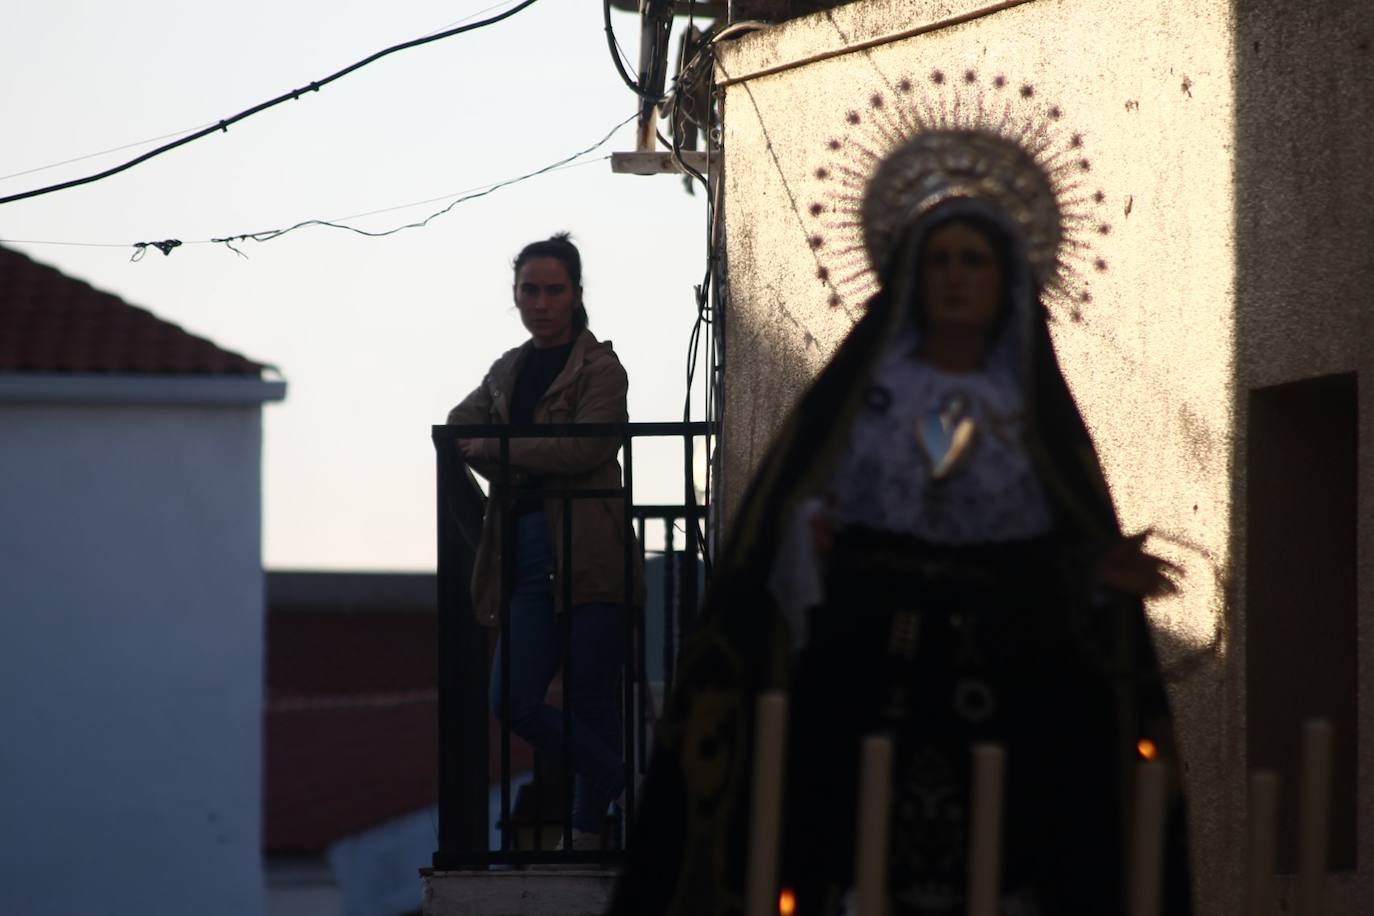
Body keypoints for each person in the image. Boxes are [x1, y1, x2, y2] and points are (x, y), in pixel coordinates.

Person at [610, 125, 1193, 913]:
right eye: (940, 261)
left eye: (974, 262)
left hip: (1006, 677)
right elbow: (786, 538)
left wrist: (1093, 574)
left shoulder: (1033, 416)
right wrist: (803, 547)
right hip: (866, 665)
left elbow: (1051, 548)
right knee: (838, 849)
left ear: (1007, 279)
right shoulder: (858, 402)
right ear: (912, 275)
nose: (956, 279)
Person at [448, 232, 646, 851]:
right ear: (515, 294)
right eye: (529, 289)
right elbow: (458, 427)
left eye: (553, 289)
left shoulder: (600, 368)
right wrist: (505, 460)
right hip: (524, 547)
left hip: (591, 547)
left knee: (592, 699)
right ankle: (626, 785)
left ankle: (587, 837)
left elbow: (587, 446)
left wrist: (503, 451)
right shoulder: (508, 370)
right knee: (511, 698)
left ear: (577, 294)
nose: (540, 301)